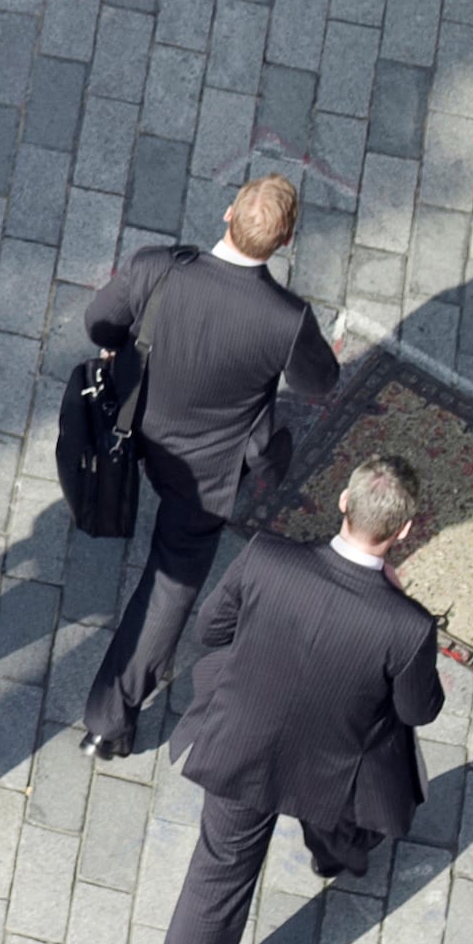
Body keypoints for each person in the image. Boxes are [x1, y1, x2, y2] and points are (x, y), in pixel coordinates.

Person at [154, 454, 441, 944]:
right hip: (328, 765)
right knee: (353, 792)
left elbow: (211, 630)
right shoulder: (406, 625)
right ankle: (337, 854)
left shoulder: (266, 557)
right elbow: (418, 711)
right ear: (405, 530)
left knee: (218, 879)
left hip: (242, 749)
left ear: (343, 500)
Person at [76, 174, 341, 761]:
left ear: (228, 214)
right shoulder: (286, 318)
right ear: (287, 240)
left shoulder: (158, 267)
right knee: (170, 584)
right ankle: (108, 720)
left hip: (134, 423)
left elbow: (99, 324)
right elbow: (320, 381)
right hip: (208, 470)